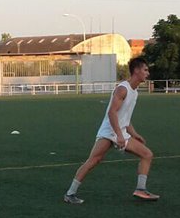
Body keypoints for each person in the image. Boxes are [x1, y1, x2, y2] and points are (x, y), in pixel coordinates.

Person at [63, 57, 159, 203]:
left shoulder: (134, 92)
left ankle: (140, 189)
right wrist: (119, 135)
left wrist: (134, 134)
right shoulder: (122, 89)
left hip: (121, 132)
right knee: (94, 160)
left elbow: (124, 118)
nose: (148, 73)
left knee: (147, 154)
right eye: (145, 70)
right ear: (136, 70)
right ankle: (70, 194)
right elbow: (112, 113)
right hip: (109, 132)